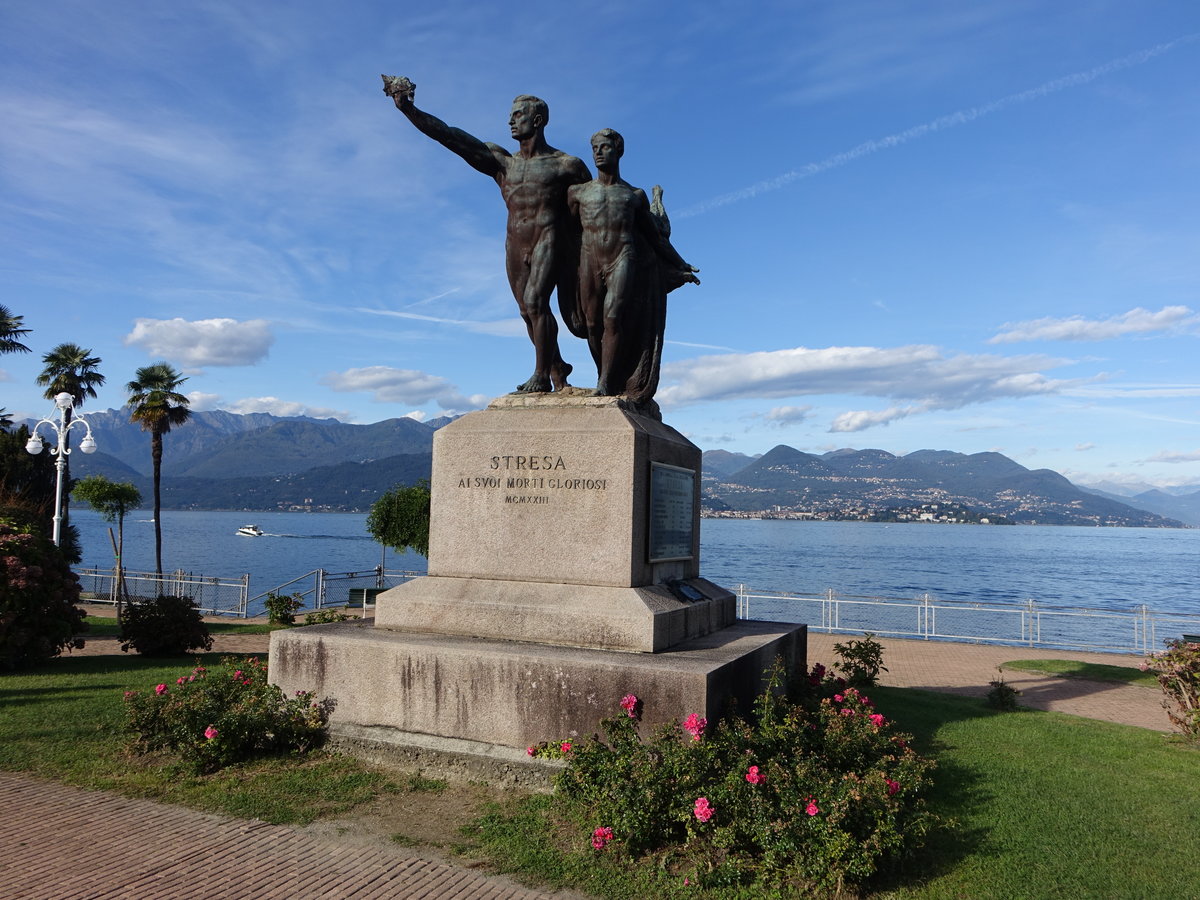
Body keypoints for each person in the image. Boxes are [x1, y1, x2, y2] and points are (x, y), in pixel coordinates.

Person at [384, 76, 590, 393]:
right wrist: (409, 109)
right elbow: (449, 136)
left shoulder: (566, 165)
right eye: (509, 115)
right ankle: (557, 370)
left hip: (550, 238)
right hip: (515, 241)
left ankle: (541, 376)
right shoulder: (502, 162)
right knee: (526, 311)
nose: (510, 120)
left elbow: (591, 206)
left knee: (536, 302)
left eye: (517, 115)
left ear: (537, 120)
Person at [566, 128, 699, 403]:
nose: (599, 153)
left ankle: (605, 383)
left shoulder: (633, 195)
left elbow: (654, 237)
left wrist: (680, 263)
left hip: (621, 257)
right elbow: (564, 234)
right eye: (595, 149)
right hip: (589, 259)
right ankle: (606, 373)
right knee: (592, 324)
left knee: (613, 317)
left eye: (605, 147)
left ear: (619, 151)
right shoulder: (578, 193)